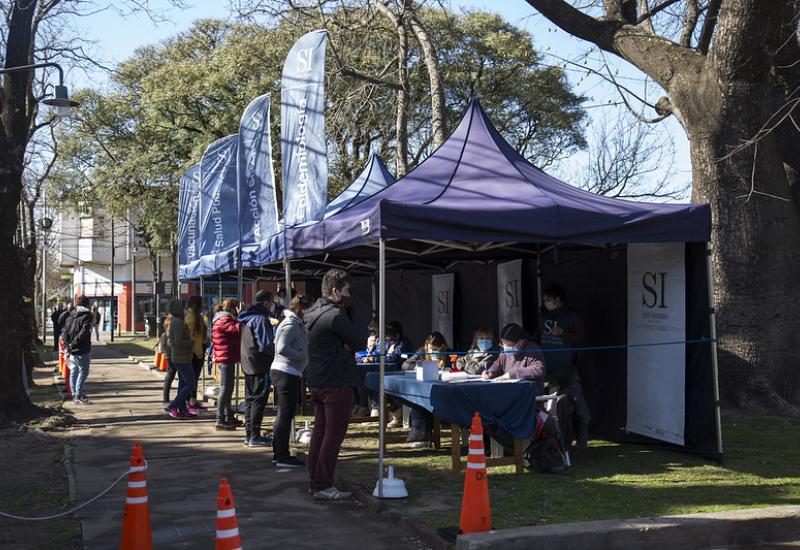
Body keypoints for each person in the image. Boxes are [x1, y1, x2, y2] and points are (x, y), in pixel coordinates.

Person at [305, 268, 364, 500]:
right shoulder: (336, 316)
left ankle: (315, 481)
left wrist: (343, 345)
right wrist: (345, 346)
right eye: (347, 290)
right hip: (336, 381)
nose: (350, 295)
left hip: (318, 379)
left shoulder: (311, 312)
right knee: (333, 435)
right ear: (335, 291)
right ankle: (322, 484)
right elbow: (359, 341)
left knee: (320, 433)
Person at [538, 284, 591, 449]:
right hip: (547, 369)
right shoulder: (543, 316)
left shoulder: (571, 316)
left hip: (567, 368)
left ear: (558, 300)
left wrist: (563, 334)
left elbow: (580, 337)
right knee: (552, 405)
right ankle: (554, 438)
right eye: (545, 300)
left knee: (578, 403)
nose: (546, 302)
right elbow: (538, 335)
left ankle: (583, 433)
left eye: (549, 300)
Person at [270, 294, 313, 468]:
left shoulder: (293, 323)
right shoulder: (290, 324)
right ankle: (281, 455)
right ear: (302, 309)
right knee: (285, 414)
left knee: (285, 414)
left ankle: (279, 453)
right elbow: (281, 347)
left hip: (288, 372)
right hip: (286, 372)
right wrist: (304, 355)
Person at [238, 290, 277, 447]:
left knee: (249, 400)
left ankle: (249, 435)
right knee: (258, 401)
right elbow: (266, 345)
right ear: (267, 302)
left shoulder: (246, 317)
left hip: (248, 364)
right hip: (260, 365)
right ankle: (254, 435)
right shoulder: (261, 319)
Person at [404, 332, 451, 445]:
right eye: (431, 348)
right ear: (427, 345)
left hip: (443, 390)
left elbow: (456, 366)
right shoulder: (422, 351)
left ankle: (423, 432)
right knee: (417, 397)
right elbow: (405, 364)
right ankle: (418, 429)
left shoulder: (449, 353)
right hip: (424, 386)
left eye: (436, 349)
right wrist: (419, 366)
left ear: (442, 347)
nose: (432, 351)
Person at [212, 298, 241, 431]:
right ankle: (219, 419)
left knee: (228, 389)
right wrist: (241, 315)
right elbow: (238, 329)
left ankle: (228, 416)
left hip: (226, 356)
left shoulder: (223, 319)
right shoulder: (225, 320)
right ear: (233, 308)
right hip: (225, 358)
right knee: (225, 388)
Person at [165, 299, 195, 419]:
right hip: (180, 357)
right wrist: (191, 342)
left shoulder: (179, 321)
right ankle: (173, 405)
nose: (186, 310)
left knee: (183, 384)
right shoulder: (177, 322)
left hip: (183, 356)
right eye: (184, 307)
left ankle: (181, 409)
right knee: (190, 383)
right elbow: (178, 342)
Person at [62, 296, 94, 404]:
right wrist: (73, 344)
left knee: (74, 371)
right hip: (82, 348)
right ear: (87, 304)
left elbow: (65, 331)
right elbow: (84, 333)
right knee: (83, 371)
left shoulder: (71, 315)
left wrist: (67, 346)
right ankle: (79, 395)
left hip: (71, 349)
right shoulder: (87, 316)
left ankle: (74, 393)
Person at [184, 295, 208, 414]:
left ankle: (192, 401)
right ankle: (190, 402)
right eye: (202, 303)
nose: (204, 305)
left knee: (193, 378)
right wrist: (198, 352)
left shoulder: (196, 317)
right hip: (194, 353)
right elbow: (194, 338)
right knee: (192, 379)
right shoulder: (191, 318)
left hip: (196, 351)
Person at [160, 314, 176, 404]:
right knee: (170, 377)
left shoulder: (164, 335)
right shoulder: (168, 335)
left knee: (169, 377)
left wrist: (165, 353)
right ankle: (166, 399)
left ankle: (166, 399)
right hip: (173, 357)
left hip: (168, 357)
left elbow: (161, 348)